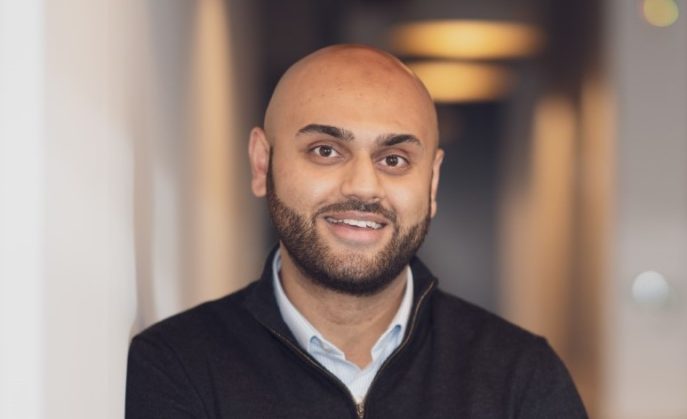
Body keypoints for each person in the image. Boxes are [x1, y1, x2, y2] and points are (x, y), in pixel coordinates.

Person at [125, 45, 587, 418]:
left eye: (394, 160)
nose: (364, 187)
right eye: (325, 151)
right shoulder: (176, 367)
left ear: (432, 183)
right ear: (263, 162)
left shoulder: (521, 378)